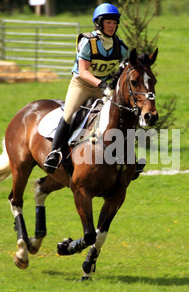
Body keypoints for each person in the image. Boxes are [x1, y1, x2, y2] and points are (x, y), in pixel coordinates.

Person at [44, 3, 129, 173]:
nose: (112, 26)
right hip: (82, 85)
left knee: (118, 115)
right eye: (108, 22)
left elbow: (126, 69)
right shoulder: (87, 42)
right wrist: (101, 84)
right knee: (69, 114)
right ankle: (55, 152)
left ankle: (127, 155)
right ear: (99, 23)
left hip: (104, 87)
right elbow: (83, 72)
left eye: (114, 23)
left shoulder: (120, 46)